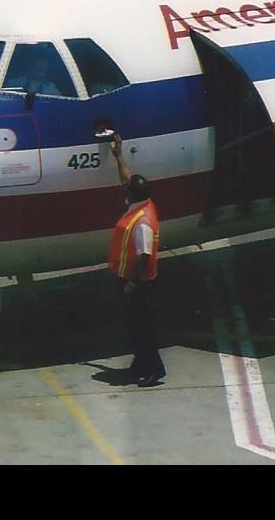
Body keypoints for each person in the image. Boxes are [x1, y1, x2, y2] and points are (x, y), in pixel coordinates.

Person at [108, 133, 165, 387]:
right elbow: (126, 176)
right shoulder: (141, 203)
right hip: (130, 280)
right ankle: (139, 365)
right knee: (135, 328)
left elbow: (144, 255)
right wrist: (118, 155)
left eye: (127, 189)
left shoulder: (142, 222)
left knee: (142, 329)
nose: (124, 189)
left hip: (138, 284)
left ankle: (155, 370)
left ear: (132, 194)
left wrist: (132, 283)